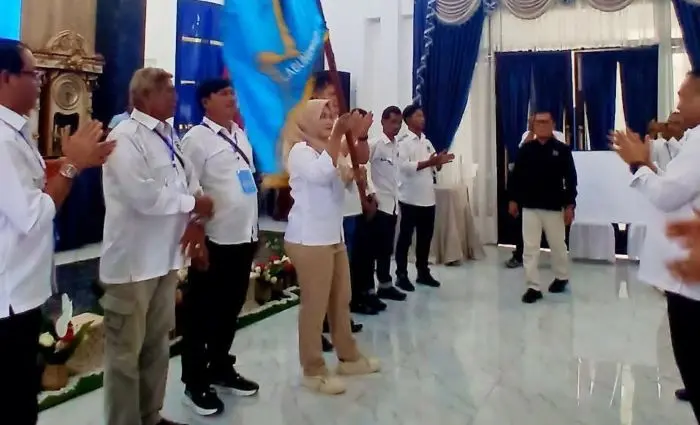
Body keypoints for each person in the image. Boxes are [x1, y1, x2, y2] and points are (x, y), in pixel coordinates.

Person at [0, 38, 114, 425]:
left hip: (20, 290)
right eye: (32, 74)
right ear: (5, 78)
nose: (40, 83)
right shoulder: (2, 139)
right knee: (13, 398)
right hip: (9, 296)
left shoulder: (15, 132)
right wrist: (71, 167)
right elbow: (33, 216)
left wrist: (73, 161)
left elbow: (29, 184)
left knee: (21, 392)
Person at [100, 67, 214, 425]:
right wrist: (193, 204)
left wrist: (196, 217)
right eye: (167, 90)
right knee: (124, 356)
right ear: (144, 96)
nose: (175, 97)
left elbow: (190, 180)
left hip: (164, 259)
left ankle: (150, 416)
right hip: (132, 265)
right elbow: (143, 196)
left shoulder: (169, 136)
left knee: (156, 346)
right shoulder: (125, 136)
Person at [611, 69, 700, 422]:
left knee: (692, 358)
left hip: (691, 277)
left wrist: (637, 163)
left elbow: (667, 196)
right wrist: (646, 163)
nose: (678, 105)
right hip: (689, 267)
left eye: (684, 97)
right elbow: (678, 189)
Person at [283, 99, 380, 395]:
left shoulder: (330, 150)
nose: (329, 120)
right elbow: (320, 175)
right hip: (309, 238)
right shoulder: (300, 151)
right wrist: (339, 133)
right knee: (315, 306)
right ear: (307, 121)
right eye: (322, 116)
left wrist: (352, 177)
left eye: (331, 115)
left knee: (341, 300)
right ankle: (313, 370)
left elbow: (336, 185)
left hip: (332, 235)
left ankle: (348, 357)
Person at [178, 78, 259, 416]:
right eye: (224, 93)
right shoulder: (196, 139)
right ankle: (194, 381)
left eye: (233, 92)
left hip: (244, 235)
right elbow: (188, 188)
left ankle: (221, 366)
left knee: (230, 309)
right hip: (215, 239)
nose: (231, 98)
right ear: (205, 101)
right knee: (200, 313)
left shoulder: (239, 134)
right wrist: (197, 233)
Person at [508, 110, 577, 304]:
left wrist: (570, 205)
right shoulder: (526, 149)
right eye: (538, 122)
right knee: (530, 248)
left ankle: (561, 277)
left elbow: (571, 179)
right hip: (530, 206)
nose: (542, 126)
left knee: (558, 245)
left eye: (546, 122)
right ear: (533, 126)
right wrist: (513, 199)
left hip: (554, 206)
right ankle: (533, 287)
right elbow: (515, 176)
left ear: (553, 125)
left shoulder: (562, 150)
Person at [394, 104, 453, 291]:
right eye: (418, 115)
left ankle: (423, 272)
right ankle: (401, 274)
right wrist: (430, 162)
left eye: (423, 115)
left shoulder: (426, 142)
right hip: (410, 198)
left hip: (428, 198)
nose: (423, 119)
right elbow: (404, 167)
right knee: (405, 238)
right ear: (408, 119)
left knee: (425, 238)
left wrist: (439, 162)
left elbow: (434, 166)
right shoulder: (403, 142)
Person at [338, 108, 385, 315]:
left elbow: (363, 162)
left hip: (359, 208)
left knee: (363, 258)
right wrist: (358, 132)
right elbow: (347, 168)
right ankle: (349, 302)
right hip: (344, 210)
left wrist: (370, 196)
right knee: (348, 262)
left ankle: (363, 294)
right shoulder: (337, 143)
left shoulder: (357, 141)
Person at [505, 122, 567, 269]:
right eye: (537, 122)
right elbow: (522, 153)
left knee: (555, 233)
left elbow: (561, 154)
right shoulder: (527, 136)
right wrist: (532, 133)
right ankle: (519, 256)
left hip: (551, 193)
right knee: (523, 228)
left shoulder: (559, 137)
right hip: (528, 192)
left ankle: (558, 264)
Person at [368, 106, 408, 302]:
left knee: (386, 248)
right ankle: (369, 289)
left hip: (393, 204)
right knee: (373, 249)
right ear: (383, 121)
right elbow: (363, 166)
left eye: (399, 123)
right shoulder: (376, 144)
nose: (396, 126)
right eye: (393, 122)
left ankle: (385, 285)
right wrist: (371, 193)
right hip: (379, 205)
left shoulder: (397, 146)